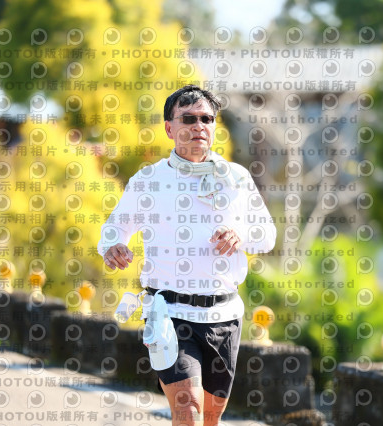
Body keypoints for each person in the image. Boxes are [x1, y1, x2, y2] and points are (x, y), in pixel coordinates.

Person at [97, 85, 276, 426]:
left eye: (206, 119)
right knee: (188, 411)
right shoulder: (149, 180)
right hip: (171, 314)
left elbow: (267, 235)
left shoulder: (235, 178)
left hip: (224, 315)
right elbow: (113, 230)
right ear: (169, 128)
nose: (199, 126)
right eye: (189, 119)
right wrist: (113, 246)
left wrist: (241, 235)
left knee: (210, 420)